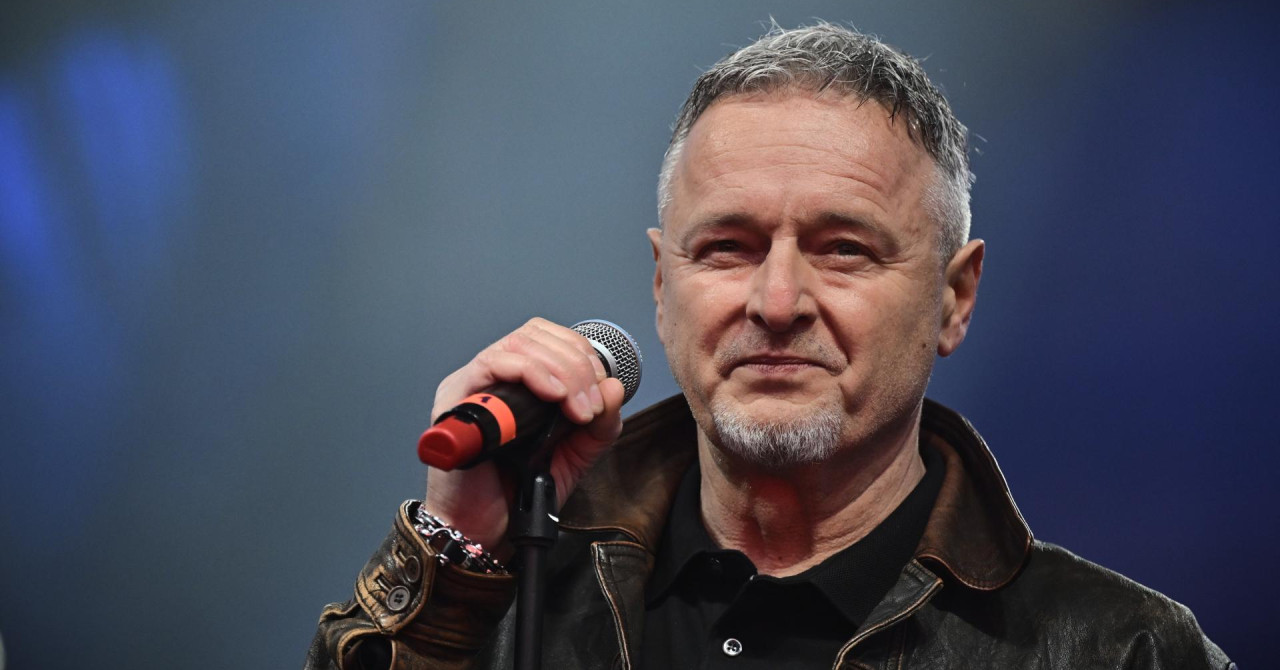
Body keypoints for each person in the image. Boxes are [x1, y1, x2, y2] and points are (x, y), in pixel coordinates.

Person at [306, 23, 1233, 670]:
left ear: (954, 298)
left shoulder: (1124, 652)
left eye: (844, 249)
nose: (777, 301)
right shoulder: (503, 597)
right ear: (662, 286)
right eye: (728, 247)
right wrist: (455, 565)